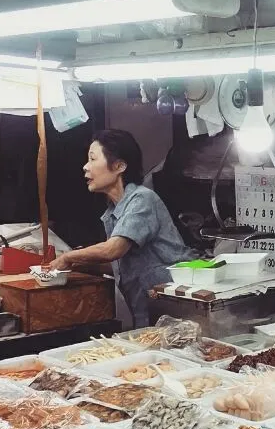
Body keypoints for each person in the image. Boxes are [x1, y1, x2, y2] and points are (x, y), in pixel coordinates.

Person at [48, 129, 188, 327]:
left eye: (93, 159)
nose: (85, 167)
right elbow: (121, 265)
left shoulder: (142, 199)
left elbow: (113, 250)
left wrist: (68, 257)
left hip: (175, 309)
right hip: (147, 310)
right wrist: (79, 262)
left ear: (119, 166)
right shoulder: (114, 212)